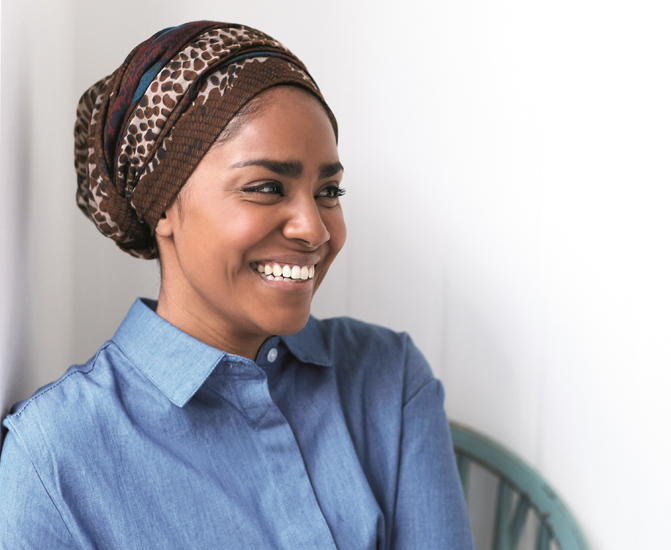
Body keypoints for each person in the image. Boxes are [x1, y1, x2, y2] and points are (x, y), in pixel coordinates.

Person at [0, 21, 474, 549]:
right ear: (164, 208)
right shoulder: (54, 455)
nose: (315, 229)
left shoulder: (388, 379)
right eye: (267, 188)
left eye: (329, 190)